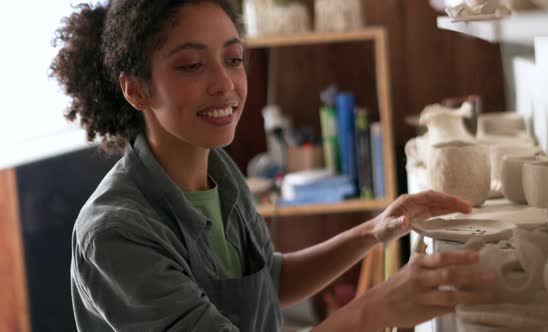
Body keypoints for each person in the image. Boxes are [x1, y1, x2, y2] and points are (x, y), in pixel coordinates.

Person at [50, 1, 497, 331]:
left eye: (233, 59)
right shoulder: (115, 234)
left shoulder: (220, 175)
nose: (224, 84)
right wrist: (380, 307)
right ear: (136, 91)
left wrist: (374, 230)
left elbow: (267, 282)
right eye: (191, 65)